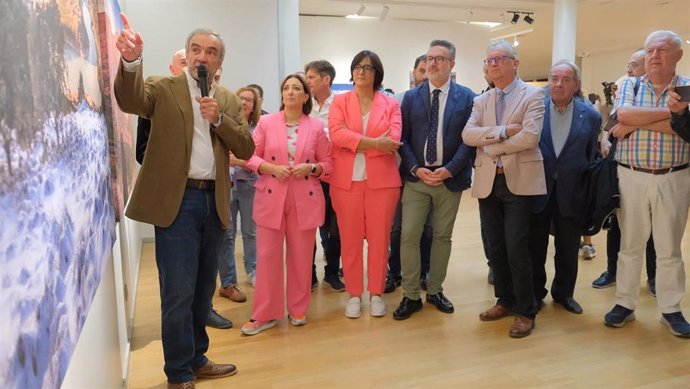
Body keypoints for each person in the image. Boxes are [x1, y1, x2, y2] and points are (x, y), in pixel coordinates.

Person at [114, 15, 254, 388]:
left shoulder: (225, 98)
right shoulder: (163, 88)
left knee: (201, 292)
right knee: (177, 292)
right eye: (196, 49)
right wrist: (131, 61)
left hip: (215, 203)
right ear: (187, 55)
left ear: (218, 62)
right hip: (178, 204)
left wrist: (219, 118)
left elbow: (245, 146)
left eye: (210, 51)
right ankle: (177, 373)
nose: (201, 57)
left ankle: (197, 358)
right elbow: (130, 100)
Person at [603, 30, 690, 338]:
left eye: (662, 50)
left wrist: (637, 123)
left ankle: (671, 310)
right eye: (650, 50)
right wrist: (673, 116)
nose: (654, 56)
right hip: (631, 174)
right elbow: (623, 113)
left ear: (677, 55)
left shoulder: (688, 87)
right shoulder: (629, 83)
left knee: (669, 249)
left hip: (675, 176)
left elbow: (685, 130)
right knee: (630, 245)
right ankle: (624, 304)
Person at [462, 40, 546, 338]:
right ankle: (505, 300)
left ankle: (526, 309)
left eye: (499, 59)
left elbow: (530, 138)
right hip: (488, 182)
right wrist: (500, 133)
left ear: (515, 63)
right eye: (489, 60)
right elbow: (468, 134)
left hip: (519, 181)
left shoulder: (533, 94)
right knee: (495, 245)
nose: (493, 64)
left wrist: (492, 148)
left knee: (517, 246)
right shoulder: (481, 100)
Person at [240, 74, 332, 335]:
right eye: (286, 88)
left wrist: (311, 167)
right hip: (271, 193)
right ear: (281, 95)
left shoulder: (315, 126)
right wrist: (271, 168)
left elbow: (328, 163)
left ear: (305, 96)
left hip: (305, 196)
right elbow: (250, 156)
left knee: (302, 256)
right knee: (267, 256)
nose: (290, 92)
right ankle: (264, 314)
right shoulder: (266, 123)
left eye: (296, 88)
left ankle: (298, 308)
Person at [394, 39, 476, 321]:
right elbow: (402, 139)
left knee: (442, 236)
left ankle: (436, 290)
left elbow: (469, 140)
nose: (432, 63)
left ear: (452, 64)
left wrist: (450, 169)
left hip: (448, 179)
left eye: (440, 58)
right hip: (417, 178)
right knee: (409, 235)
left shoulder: (467, 98)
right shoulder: (411, 97)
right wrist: (416, 168)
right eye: (429, 58)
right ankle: (410, 295)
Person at [329, 50, 402, 318]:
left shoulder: (391, 104)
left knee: (380, 240)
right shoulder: (340, 102)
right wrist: (374, 143)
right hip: (346, 182)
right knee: (349, 240)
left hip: (382, 183)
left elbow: (393, 139)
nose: (362, 72)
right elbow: (336, 135)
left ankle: (376, 293)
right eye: (358, 67)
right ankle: (354, 294)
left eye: (368, 68)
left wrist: (356, 142)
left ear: (376, 74)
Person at [528, 61, 601, 315]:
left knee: (568, 248)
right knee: (535, 247)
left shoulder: (590, 115)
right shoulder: (535, 109)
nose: (558, 84)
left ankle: (564, 294)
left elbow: (590, 154)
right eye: (554, 78)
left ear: (576, 85)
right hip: (538, 189)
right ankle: (536, 293)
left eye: (565, 79)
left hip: (572, 192)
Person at [593, 48, 657, 294]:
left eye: (634, 65)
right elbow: (616, 120)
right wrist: (606, 136)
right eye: (628, 64)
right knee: (616, 221)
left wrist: (634, 120)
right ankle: (613, 271)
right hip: (619, 166)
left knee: (651, 227)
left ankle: (653, 278)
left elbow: (633, 121)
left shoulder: (654, 94)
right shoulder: (627, 89)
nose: (629, 69)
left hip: (649, 167)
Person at [386, 54, 432, 294]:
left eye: (428, 70)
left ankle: (425, 271)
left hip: (430, 177)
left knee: (427, 228)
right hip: (401, 175)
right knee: (397, 229)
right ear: (413, 72)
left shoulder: (439, 103)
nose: (425, 75)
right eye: (421, 70)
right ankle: (394, 272)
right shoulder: (399, 101)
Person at [216, 87, 262, 303]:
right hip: (225, 184)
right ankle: (228, 281)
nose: (244, 102)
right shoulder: (224, 122)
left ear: (254, 106)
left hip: (249, 184)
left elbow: (261, 159)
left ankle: (253, 271)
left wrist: (240, 161)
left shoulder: (259, 127)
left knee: (250, 231)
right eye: (241, 98)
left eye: (249, 100)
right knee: (226, 233)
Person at [304, 59, 345, 292]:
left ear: (325, 79)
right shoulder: (303, 103)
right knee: (308, 227)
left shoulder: (341, 103)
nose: (307, 81)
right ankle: (308, 274)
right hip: (308, 175)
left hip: (334, 174)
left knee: (333, 228)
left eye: (310, 77)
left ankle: (332, 272)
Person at [135, 48, 186, 164]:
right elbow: (142, 153)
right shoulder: (156, 97)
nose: (188, 68)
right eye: (184, 63)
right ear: (172, 69)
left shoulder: (206, 102)